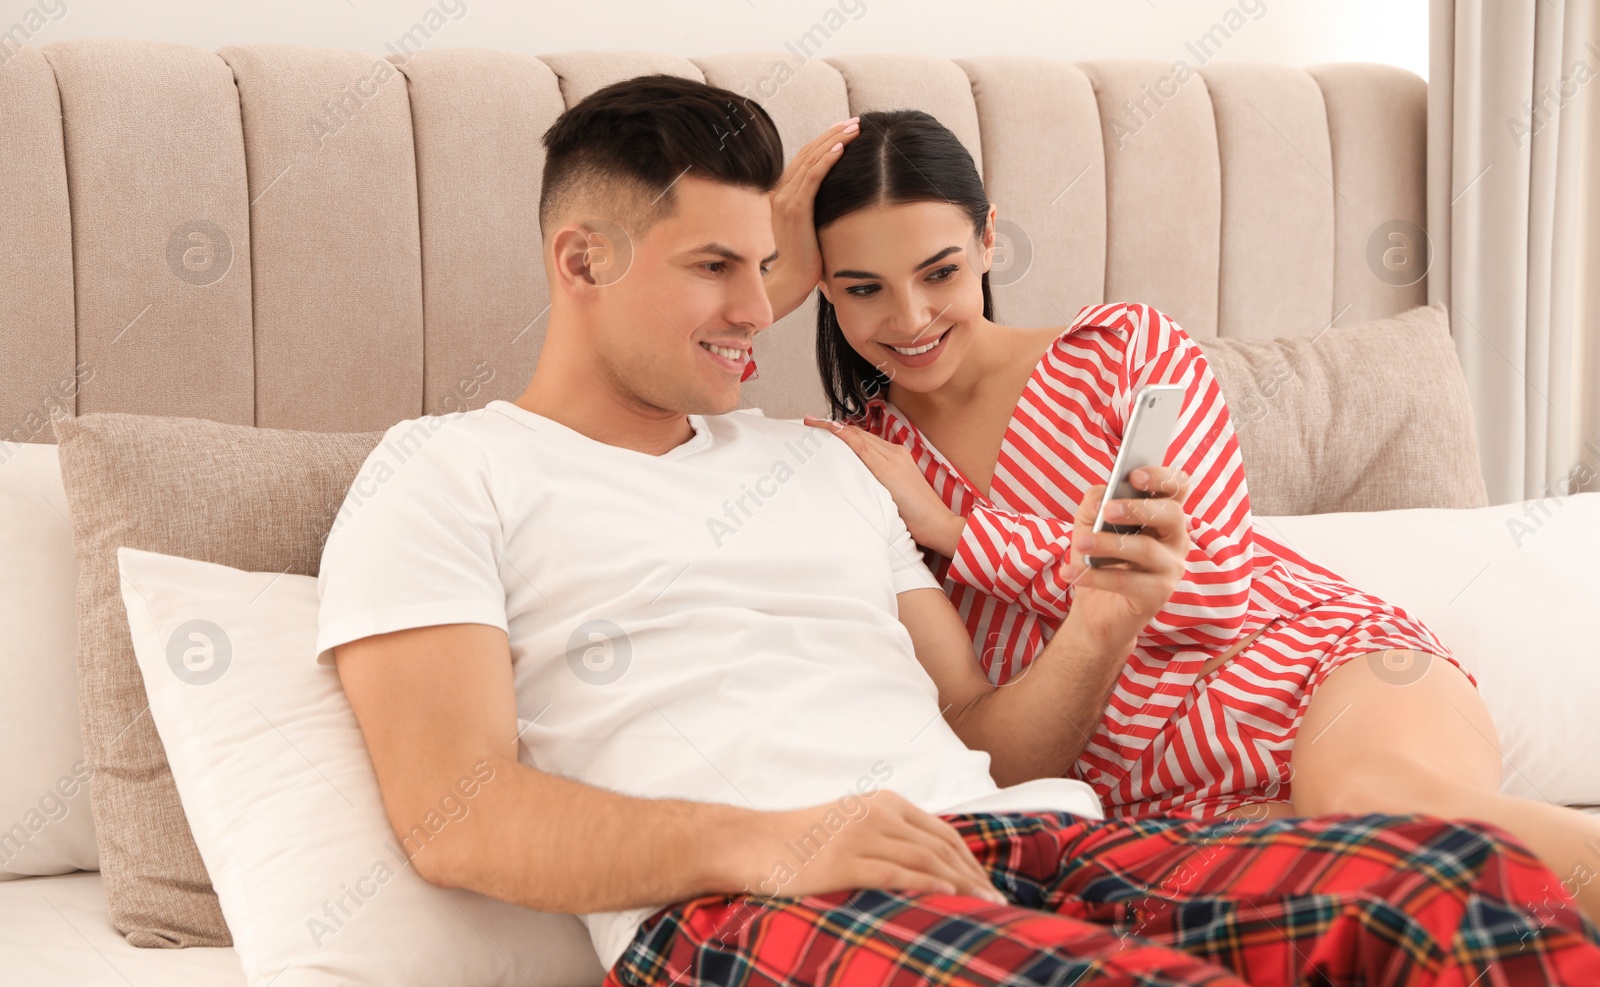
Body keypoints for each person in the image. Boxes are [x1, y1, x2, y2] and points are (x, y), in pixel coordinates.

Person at [318, 74, 1600, 987]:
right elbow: (458, 813)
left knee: (1457, 891)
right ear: (580, 260)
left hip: (1032, 832)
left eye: (770, 267)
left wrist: (1098, 623)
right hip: (746, 902)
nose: (761, 309)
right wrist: (770, 839)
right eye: (719, 266)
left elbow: (978, 736)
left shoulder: (819, 465)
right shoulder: (446, 470)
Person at [758, 105, 1600, 926]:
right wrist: (769, 287)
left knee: (1380, 818)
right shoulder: (862, 469)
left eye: (939, 272)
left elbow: (1210, 591)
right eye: (862, 288)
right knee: (1353, 919)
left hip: (1319, 680)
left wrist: (960, 532)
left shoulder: (1123, 349)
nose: (908, 318)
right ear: (823, 288)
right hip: (1166, 807)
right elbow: (979, 743)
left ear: (988, 241)